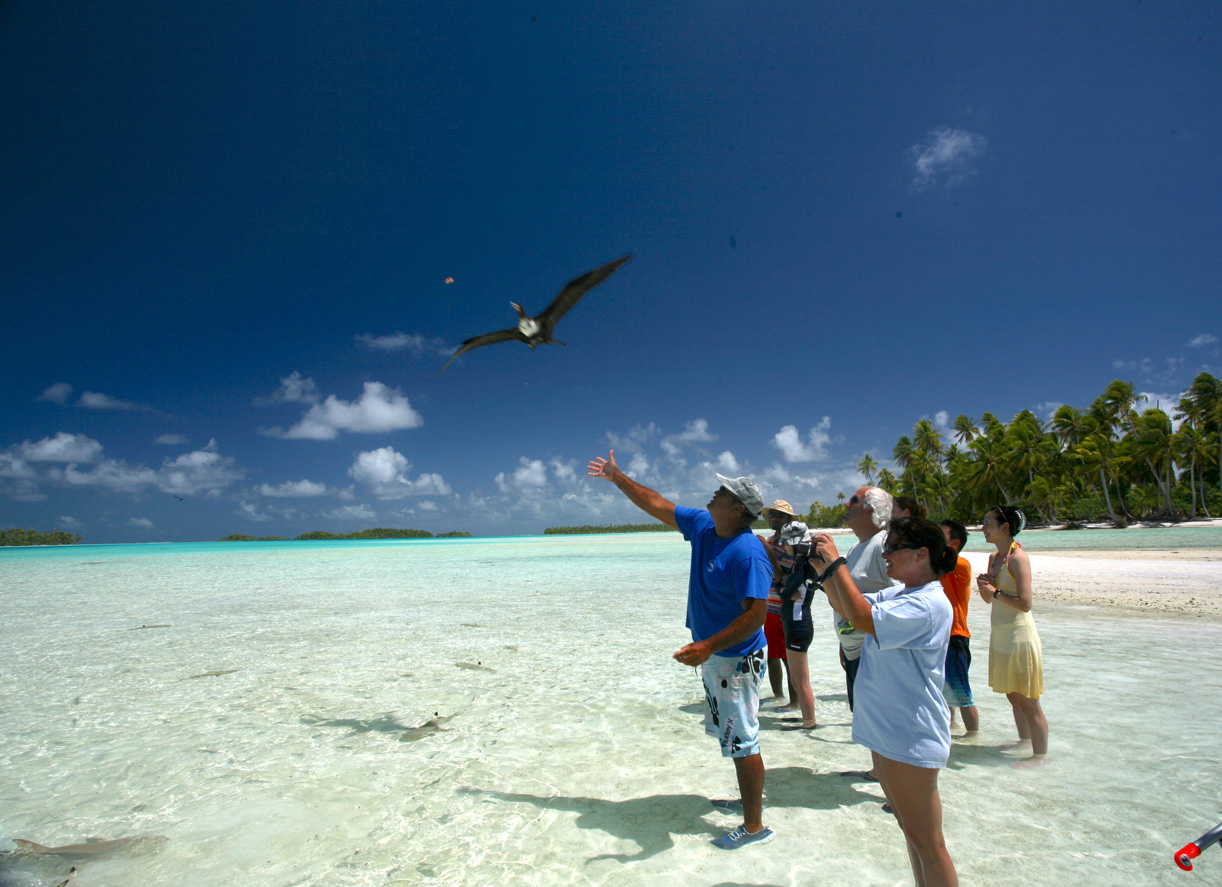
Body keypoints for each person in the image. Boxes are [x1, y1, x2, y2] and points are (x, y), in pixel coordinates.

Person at [587, 450, 775, 849]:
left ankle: (756, 826)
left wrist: (708, 645)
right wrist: (617, 477)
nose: (713, 492)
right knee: (733, 736)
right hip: (717, 657)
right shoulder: (706, 525)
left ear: (738, 508)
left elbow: (756, 616)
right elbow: (657, 504)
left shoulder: (747, 552)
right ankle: (747, 801)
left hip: (737, 659)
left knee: (743, 740)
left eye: (722, 491)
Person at [812, 517, 960, 887]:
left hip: (910, 733)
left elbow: (862, 617)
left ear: (921, 554)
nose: (886, 555)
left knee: (928, 844)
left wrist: (836, 565)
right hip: (890, 730)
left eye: (892, 547)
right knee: (913, 835)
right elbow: (850, 606)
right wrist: (819, 569)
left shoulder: (927, 605)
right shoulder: (903, 594)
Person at [975, 505, 1048, 768]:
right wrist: (984, 587)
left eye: (987, 523)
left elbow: (1026, 603)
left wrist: (994, 592)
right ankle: (1024, 743)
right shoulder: (995, 557)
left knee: (1029, 700)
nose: (982, 528)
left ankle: (1040, 757)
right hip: (1001, 634)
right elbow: (987, 600)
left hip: (1020, 635)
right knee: (1012, 696)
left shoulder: (1019, 558)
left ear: (1004, 527)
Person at [834, 486, 903, 711]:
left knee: (881, 732)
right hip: (857, 653)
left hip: (875, 656)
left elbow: (901, 600)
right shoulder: (857, 547)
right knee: (868, 731)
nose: (846, 504)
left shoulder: (883, 546)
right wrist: (844, 642)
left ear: (869, 510)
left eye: (853, 500)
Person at [774, 520, 817, 730]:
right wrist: (784, 589)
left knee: (800, 680)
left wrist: (783, 588)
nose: (784, 546)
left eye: (787, 542)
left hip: (798, 626)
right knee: (800, 679)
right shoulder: (801, 564)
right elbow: (784, 589)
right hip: (797, 624)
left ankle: (809, 721)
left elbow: (784, 592)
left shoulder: (803, 566)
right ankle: (806, 716)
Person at [939, 520, 978, 736]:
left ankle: (973, 735)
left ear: (954, 544)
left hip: (956, 635)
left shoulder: (960, 565)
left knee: (962, 692)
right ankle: (950, 725)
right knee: (944, 688)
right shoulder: (937, 566)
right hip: (941, 635)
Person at [761, 500, 799, 707]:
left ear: (788, 520)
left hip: (783, 606)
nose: (774, 519)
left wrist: (766, 549)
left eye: (779, 516)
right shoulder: (773, 540)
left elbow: (782, 575)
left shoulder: (790, 542)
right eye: (772, 515)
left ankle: (795, 701)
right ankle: (778, 695)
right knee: (772, 654)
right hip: (770, 605)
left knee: (786, 656)